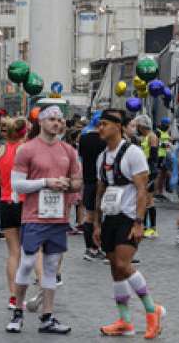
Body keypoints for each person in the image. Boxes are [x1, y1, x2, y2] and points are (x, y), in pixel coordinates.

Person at [6, 105, 82, 335]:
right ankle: (17, 313)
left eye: (60, 120)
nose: (57, 123)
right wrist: (46, 183)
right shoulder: (27, 149)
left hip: (58, 217)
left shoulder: (69, 150)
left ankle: (47, 316)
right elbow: (17, 185)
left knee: (50, 267)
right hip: (33, 216)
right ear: (41, 122)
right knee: (28, 263)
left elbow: (78, 182)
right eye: (51, 119)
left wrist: (68, 184)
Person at [93, 110, 165, 338]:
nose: (100, 128)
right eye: (99, 124)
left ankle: (153, 312)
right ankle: (125, 322)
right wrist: (96, 223)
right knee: (115, 269)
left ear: (118, 126)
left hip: (129, 216)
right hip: (110, 217)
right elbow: (100, 190)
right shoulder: (102, 157)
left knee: (124, 265)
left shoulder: (133, 153)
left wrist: (139, 222)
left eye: (104, 124)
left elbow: (142, 189)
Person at [0, 117, 27, 310]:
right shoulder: (25, 150)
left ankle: (13, 296)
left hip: (6, 202)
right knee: (32, 251)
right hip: (24, 202)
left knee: (13, 253)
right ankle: (40, 293)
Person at [77, 112, 106, 261]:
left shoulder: (84, 138)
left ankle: (89, 248)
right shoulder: (106, 140)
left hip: (88, 180)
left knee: (89, 215)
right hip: (103, 181)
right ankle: (99, 247)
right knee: (102, 216)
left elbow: (81, 156)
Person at [134, 115, 160, 238]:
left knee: (149, 200)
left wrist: (150, 172)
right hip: (145, 169)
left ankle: (153, 228)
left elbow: (154, 157)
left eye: (138, 126)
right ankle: (144, 226)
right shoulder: (145, 137)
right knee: (144, 199)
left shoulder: (152, 136)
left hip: (150, 170)